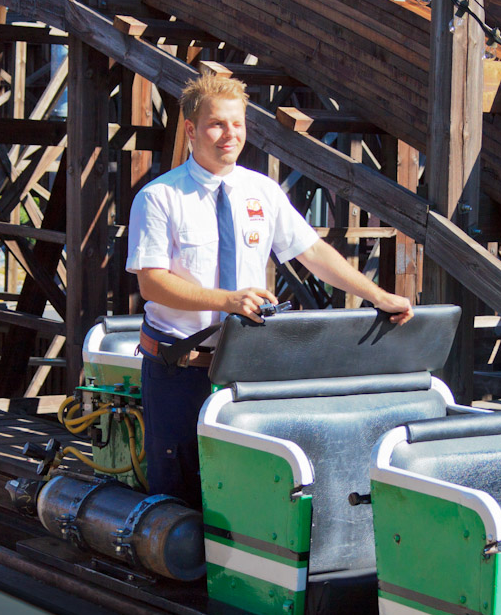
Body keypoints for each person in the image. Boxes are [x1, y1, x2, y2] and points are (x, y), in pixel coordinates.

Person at [126, 73, 413, 508]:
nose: (231, 135)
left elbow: (312, 251)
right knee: (178, 495)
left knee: (244, 488)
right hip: (179, 368)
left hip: (248, 367)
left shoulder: (261, 191)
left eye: (238, 124)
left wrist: (376, 295)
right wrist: (228, 300)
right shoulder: (160, 197)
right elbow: (152, 282)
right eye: (217, 124)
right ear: (190, 129)